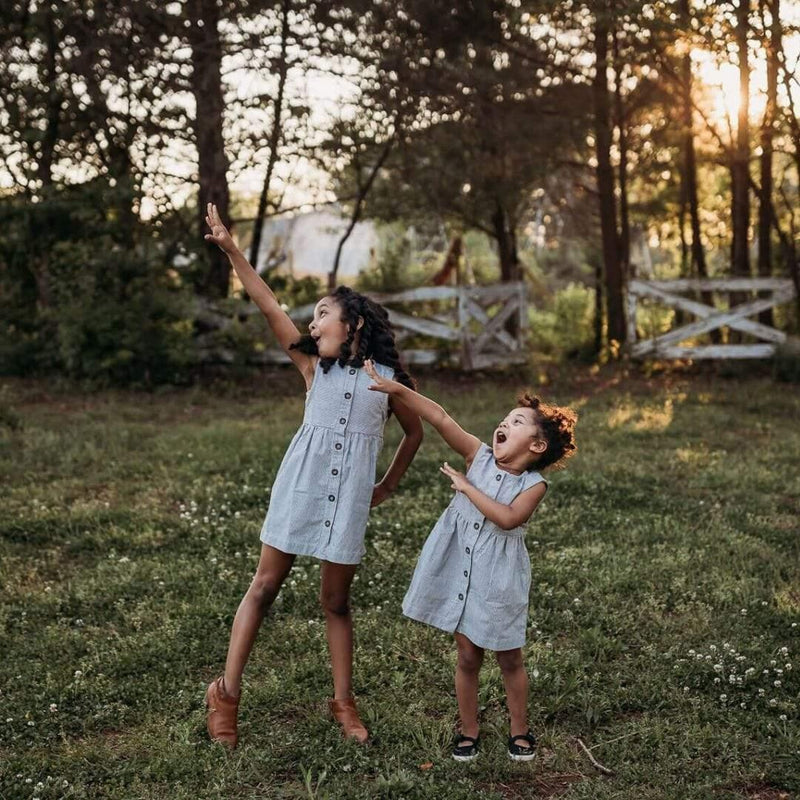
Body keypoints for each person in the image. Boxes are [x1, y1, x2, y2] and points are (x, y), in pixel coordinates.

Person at [203, 204, 423, 748]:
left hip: (347, 501)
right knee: (264, 586)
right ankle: (225, 695)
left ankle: (343, 702)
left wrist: (386, 485)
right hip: (300, 490)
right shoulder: (313, 367)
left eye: (323, 314)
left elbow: (415, 434)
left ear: (354, 325)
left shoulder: (388, 381)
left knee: (336, 603)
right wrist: (232, 250)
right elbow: (267, 303)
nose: (312, 323)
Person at [364, 359, 576, 762]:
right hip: (459, 564)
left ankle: (519, 729)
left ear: (536, 446)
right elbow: (440, 417)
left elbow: (508, 518)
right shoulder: (477, 455)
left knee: (509, 657)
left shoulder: (534, 485)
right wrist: (398, 391)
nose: (505, 424)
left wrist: (466, 487)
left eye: (517, 422)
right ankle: (468, 730)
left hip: (499, 577)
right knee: (467, 655)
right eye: (506, 419)